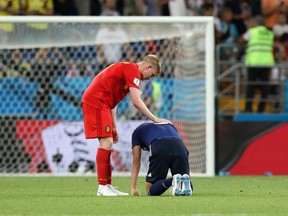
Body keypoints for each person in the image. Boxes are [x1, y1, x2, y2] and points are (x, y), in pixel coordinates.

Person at [81, 55, 171, 196]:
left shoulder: (129, 72)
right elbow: (136, 101)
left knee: (108, 142)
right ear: (148, 67)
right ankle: (102, 187)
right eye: (151, 74)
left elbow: (113, 103)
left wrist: (114, 126)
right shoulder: (132, 70)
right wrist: (155, 118)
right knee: (106, 142)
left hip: (103, 103)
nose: (149, 79)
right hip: (96, 101)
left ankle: (107, 186)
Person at [130, 122, 193, 196]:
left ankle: (173, 180)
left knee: (150, 190)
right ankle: (182, 181)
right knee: (183, 180)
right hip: (180, 146)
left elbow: (136, 161)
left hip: (160, 145)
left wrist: (133, 188)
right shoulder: (169, 124)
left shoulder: (137, 132)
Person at [243, 16, 275, 113]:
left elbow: (242, 39)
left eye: (252, 21)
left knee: (251, 86)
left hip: (254, 62)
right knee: (264, 86)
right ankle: (261, 109)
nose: (250, 23)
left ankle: (248, 108)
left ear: (256, 23)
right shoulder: (270, 33)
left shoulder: (252, 31)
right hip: (267, 62)